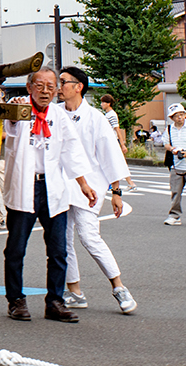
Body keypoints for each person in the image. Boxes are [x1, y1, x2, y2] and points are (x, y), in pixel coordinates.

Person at [1, 66, 98, 323]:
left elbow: (70, 151)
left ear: (56, 91)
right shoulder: (20, 109)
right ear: (29, 87)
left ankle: (55, 301)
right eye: (39, 85)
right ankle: (16, 300)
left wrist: (83, 184)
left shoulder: (58, 115)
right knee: (16, 248)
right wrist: (14, 112)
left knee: (58, 250)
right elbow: (8, 130)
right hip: (24, 187)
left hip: (52, 188)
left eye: (50, 87)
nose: (45, 91)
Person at [56, 67, 137, 315]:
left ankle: (119, 287)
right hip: (60, 187)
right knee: (63, 241)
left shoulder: (95, 118)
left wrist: (116, 191)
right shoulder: (55, 113)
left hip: (88, 187)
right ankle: (75, 292)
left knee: (89, 237)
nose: (59, 87)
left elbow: (110, 156)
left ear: (78, 86)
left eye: (63, 82)